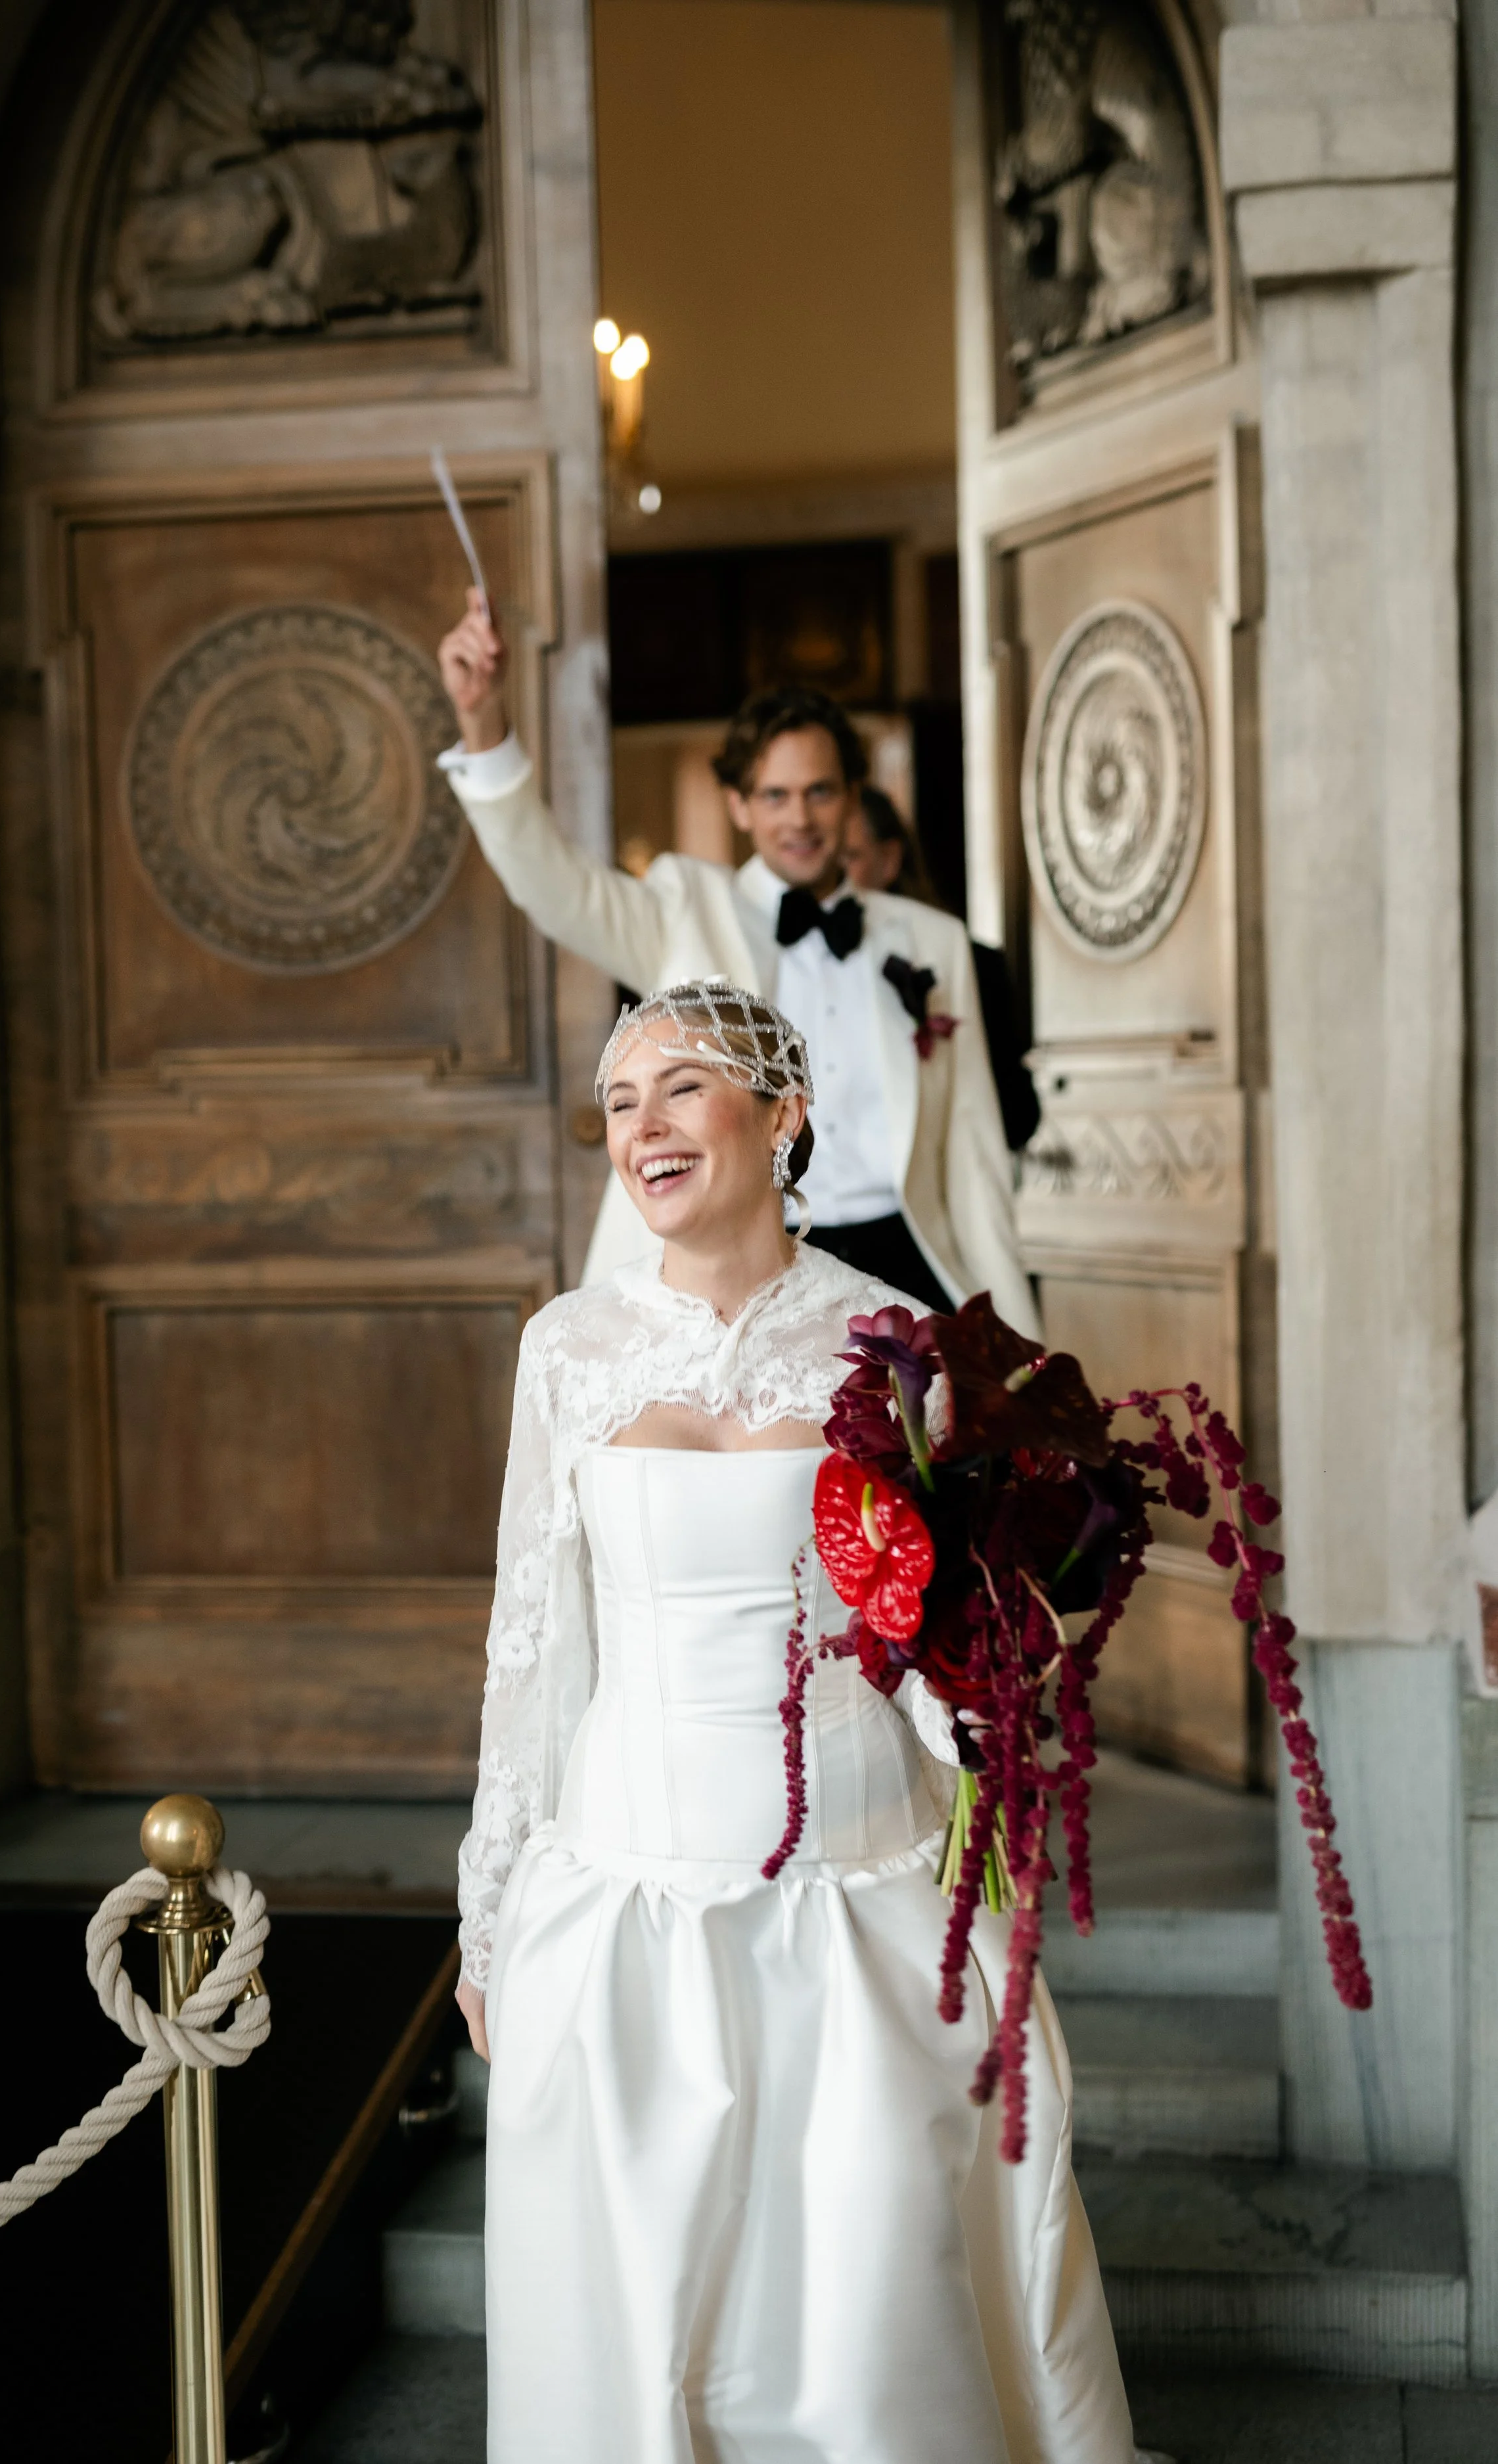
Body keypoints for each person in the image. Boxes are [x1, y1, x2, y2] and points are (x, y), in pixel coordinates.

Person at [457, 978, 1138, 2464]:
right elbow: (532, 1639)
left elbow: (951, 1623)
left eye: (682, 1088)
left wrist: (991, 1770)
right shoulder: (567, 1349)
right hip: (625, 1890)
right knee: (635, 2317)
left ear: (783, 1115)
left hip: (854, 1891)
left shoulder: (891, 1344)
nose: (642, 1124)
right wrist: (493, 1900)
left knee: (862, 2310)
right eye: (621, 1099)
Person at [436, 595, 1037, 1333]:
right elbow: (553, 886)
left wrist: (1019, 1343)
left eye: (820, 791)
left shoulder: (932, 942)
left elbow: (975, 1155)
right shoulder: (684, 908)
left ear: (853, 797)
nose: (799, 817)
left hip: (907, 1267)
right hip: (743, 1263)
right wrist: (482, 725)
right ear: (738, 804)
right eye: (775, 795)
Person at [846, 783, 1043, 1153]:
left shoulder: (971, 963)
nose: (832, 881)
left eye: (848, 859)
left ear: (889, 860)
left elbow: (1017, 1116)